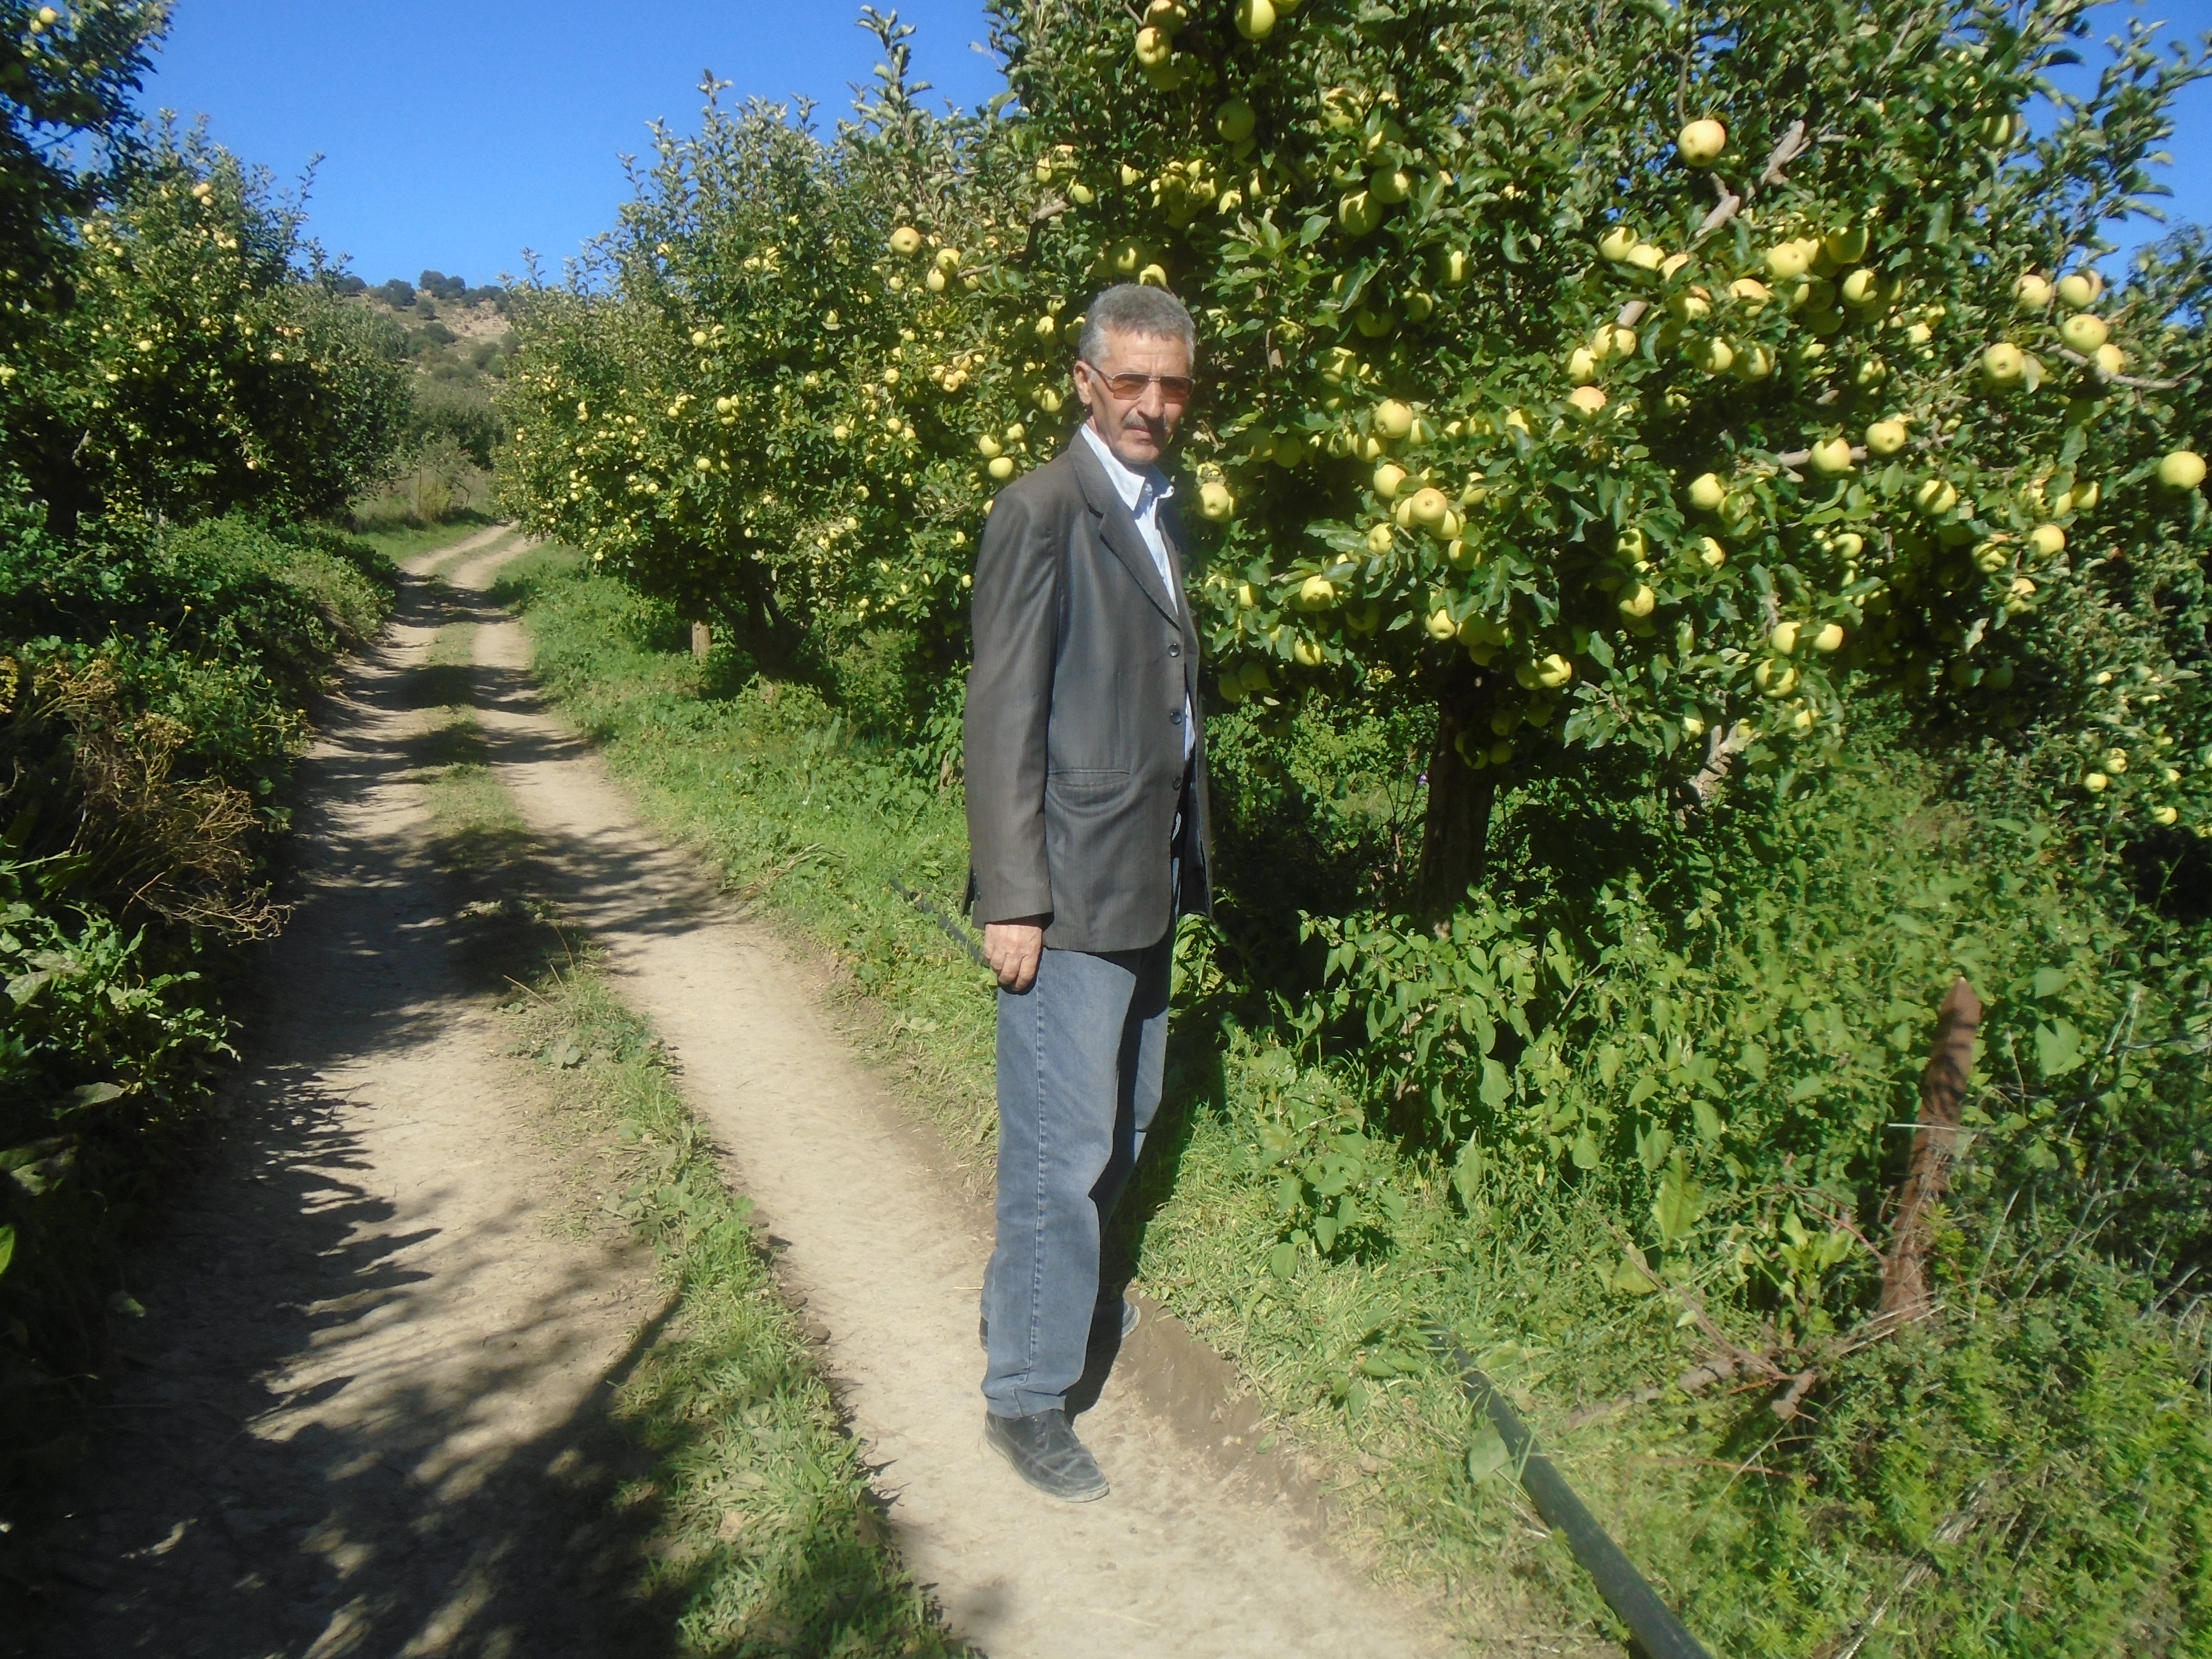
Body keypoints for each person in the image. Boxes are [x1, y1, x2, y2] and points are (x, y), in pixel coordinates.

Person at [962, 283, 1211, 1502]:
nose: (1153, 405)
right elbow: (1003, 710)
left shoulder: (1165, 505)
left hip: (1145, 875)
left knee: (1123, 1124)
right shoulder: (1043, 509)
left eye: (1172, 385)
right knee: (1060, 1154)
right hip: (1063, 891)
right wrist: (1014, 898)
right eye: (1132, 383)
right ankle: (1024, 1398)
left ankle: (1034, 1310)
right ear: (1085, 382)